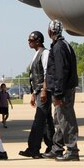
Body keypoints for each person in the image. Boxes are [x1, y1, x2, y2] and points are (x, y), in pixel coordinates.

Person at [46, 20, 79, 162]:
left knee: (66, 119)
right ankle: (57, 148)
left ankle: (72, 150)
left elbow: (61, 71)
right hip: (64, 88)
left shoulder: (59, 47)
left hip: (63, 90)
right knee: (58, 119)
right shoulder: (63, 45)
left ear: (50, 31)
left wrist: (58, 93)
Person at [20, 31, 54, 159]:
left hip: (43, 91)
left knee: (39, 120)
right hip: (38, 91)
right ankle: (52, 146)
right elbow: (34, 76)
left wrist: (44, 90)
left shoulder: (45, 53)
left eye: (31, 40)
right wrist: (33, 94)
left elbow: (47, 73)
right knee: (47, 120)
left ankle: (33, 149)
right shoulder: (36, 54)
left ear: (38, 41)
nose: (29, 42)